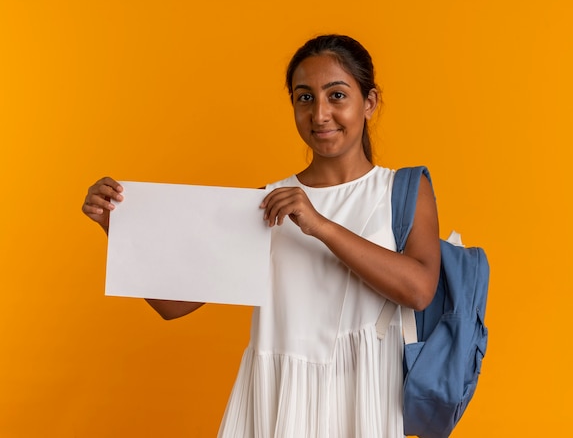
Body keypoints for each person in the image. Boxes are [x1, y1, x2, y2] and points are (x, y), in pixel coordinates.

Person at [82, 34, 441, 437]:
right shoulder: (266, 203)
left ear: (369, 102)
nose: (320, 114)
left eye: (336, 95)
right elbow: (174, 305)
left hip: (363, 395)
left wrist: (319, 225)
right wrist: (115, 225)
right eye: (304, 98)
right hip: (276, 396)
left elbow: (419, 289)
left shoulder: (402, 191)